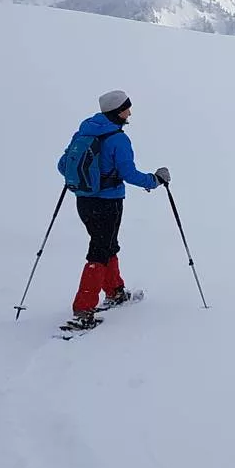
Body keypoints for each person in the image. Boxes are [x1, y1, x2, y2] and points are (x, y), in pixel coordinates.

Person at [62, 89, 170, 328]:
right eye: (126, 108)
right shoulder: (118, 139)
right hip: (108, 202)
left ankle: (115, 292)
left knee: (106, 244)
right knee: (99, 251)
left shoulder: (83, 133)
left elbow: (62, 165)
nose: (129, 113)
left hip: (84, 201)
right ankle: (83, 310)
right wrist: (154, 180)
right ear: (117, 111)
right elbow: (128, 174)